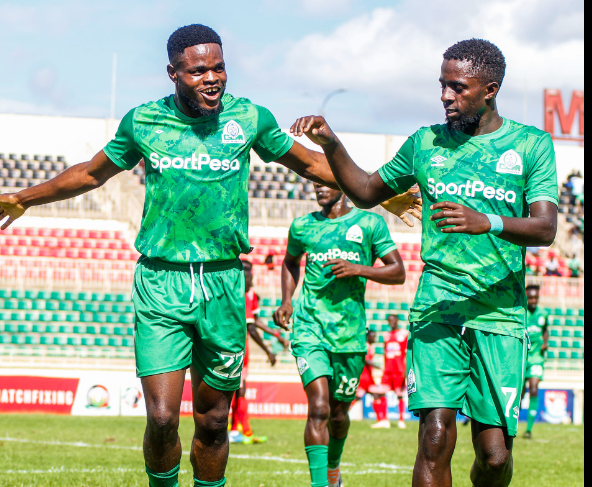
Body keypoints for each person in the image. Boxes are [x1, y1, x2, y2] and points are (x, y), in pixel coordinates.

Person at [0, 24, 419, 487]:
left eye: (219, 67)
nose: (212, 77)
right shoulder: (143, 122)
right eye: (198, 70)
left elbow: (310, 163)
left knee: (215, 420)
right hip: (162, 282)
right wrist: (25, 197)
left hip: (223, 284)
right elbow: (90, 174)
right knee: (161, 417)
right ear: (173, 73)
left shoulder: (249, 118)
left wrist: (378, 192)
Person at [290, 38, 558, 487]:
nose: (445, 97)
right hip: (437, 308)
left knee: (493, 458)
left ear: (489, 89)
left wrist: (486, 221)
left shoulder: (531, 145)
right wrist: (332, 143)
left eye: (458, 87)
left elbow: (545, 228)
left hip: (500, 314)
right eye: (442, 85)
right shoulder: (425, 143)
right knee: (434, 436)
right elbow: (365, 191)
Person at [274, 183, 406, 487]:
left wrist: (358, 269)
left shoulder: (369, 223)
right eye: (315, 182)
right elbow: (290, 261)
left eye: (326, 182)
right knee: (318, 407)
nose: (319, 187)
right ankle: (320, 484)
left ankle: (333, 466)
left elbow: (398, 272)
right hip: (309, 328)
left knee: (337, 414)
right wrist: (286, 299)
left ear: (343, 186)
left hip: (350, 335)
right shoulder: (302, 226)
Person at [229, 260, 289, 445]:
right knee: (239, 390)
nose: (253, 280)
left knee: (238, 390)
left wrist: (275, 334)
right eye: (250, 276)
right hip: (235, 350)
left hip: (241, 351)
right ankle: (244, 431)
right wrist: (268, 350)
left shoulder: (250, 295)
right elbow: (252, 328)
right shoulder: (239, 294)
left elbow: (254, 321)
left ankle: (234, 431)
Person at [521, 285, 549, 439]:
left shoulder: (543, 314)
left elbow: (545, 330)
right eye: (530, 297)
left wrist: (545, 343)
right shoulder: (521, 313)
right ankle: (514, 427)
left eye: (536, 297)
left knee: (533, 389)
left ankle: (529, 430)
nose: (533, 300)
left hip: (537, 358)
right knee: (519, 394)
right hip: (522, 358)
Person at [372, 314, 409, 430]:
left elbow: (407, 353)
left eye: (392, 320)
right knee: (381, 393)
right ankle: (384, 420)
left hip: (398, 370)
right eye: (389, 321)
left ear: (397, 320)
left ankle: (401, 419)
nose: (391, 322)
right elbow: (384, 352)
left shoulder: (403, 334)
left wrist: (405, 370)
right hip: (387, 370)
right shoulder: (386, 335)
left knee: (399, 394)